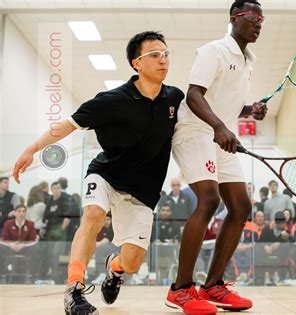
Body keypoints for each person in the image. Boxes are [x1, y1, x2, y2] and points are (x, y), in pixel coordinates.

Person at [13, 31, 184, 315]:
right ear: (136, 63)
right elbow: (68, 124)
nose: (163, 60)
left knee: (132, 263)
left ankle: (114, 269)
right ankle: (74, 290)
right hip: (106, 174)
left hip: (143, 190)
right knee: (92, 215)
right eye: (154, 54)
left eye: (166, 54)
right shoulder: (111, 100)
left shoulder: (175, 98)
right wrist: (32, 149)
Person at [168, 1, 266, 313]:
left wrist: (249, 110)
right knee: (209, 200)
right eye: (253, 17)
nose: (259, 23)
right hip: (195, 131)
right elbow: (195, 95)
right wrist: (221, 127)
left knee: (241, 206)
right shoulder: (214, 51)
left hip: (218, 134)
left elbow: (224, 102)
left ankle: (213, 286)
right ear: (234, 18)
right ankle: (181, 289)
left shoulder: (248, 59)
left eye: (262, 19)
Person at [0, 205, 39, 283]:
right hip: (10, 248)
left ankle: (32, 276)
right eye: (19, 211)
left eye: (23, 211)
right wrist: (12, 245)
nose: (21, 213)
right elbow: (4, 239)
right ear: (15, 213)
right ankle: (3, 275)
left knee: (36, 249)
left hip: (25, 249)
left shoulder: (30, 224)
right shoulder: (8, 223)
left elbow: (33, 239)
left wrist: (23, 245)